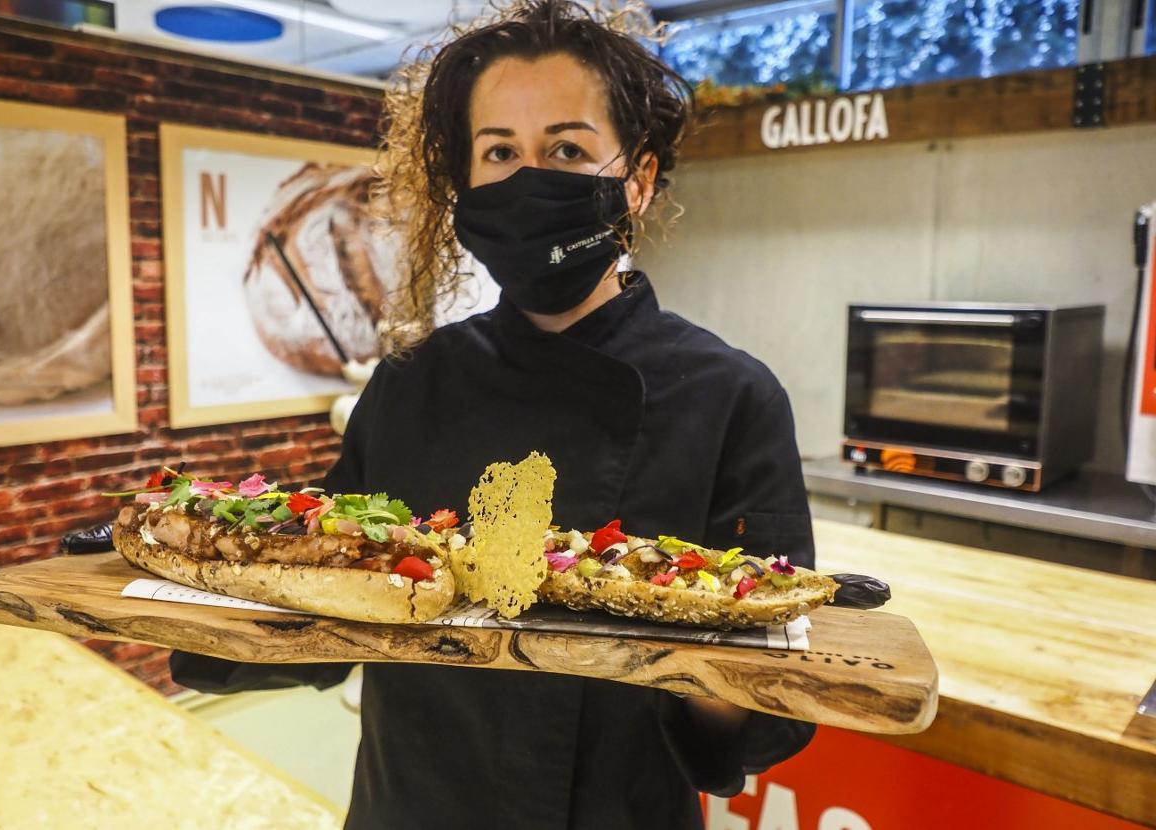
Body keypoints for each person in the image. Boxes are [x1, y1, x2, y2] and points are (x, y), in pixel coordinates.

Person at [170, 3, 817, 827]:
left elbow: (772, 703)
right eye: (500, 151)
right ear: (464, 181)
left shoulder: (732, 397)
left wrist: (715, 662)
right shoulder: (410, 384)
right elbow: (324, 609)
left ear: (640, 181)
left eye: (568, 149)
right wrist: (181, 597)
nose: (527, 177)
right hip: (411, 806)